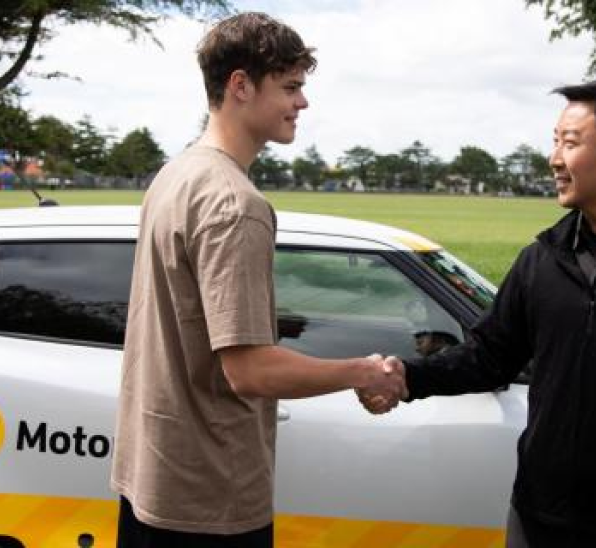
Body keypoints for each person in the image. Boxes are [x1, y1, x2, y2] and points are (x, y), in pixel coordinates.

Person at [362, 79, 596, 547]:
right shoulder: (541, 260)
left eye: (571, 142)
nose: (555, 159)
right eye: (555, 140)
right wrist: (408, 378)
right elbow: (489, 356)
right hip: (538, 518)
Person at [110, 12, 405, 548]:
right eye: (290, 86)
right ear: (240, 85)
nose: (303, 103)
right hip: (210, 498)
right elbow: (250, 371)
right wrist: (363, 371)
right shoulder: (234, 204)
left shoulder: (176, 176)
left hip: (153, 483)